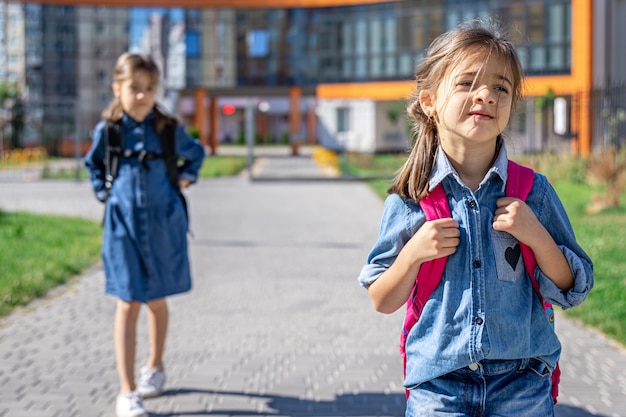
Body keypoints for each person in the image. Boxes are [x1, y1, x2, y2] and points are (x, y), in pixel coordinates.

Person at [357, 21, 593, 417]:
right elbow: (381, 299)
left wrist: (536, 236)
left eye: (501, 87)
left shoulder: (533, 192)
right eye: (467, 83)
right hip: (438, 386)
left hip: (523, 380)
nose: (486, 95)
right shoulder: (412, 197)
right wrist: (413, 254)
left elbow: (572, 289)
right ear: (430, 101)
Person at [84, 53, 205, 417]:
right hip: (123, 228)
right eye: (134, 88)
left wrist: (186, 177)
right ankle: (127, 390)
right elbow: (93, 164)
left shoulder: (168, 128)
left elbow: (195, 153)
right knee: (127, 301)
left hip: (163, 225)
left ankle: (154, 366)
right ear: (117, 87)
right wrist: (104, 193)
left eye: (149, 89)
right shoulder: (108, 130)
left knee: (156, 299)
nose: (142, 96)